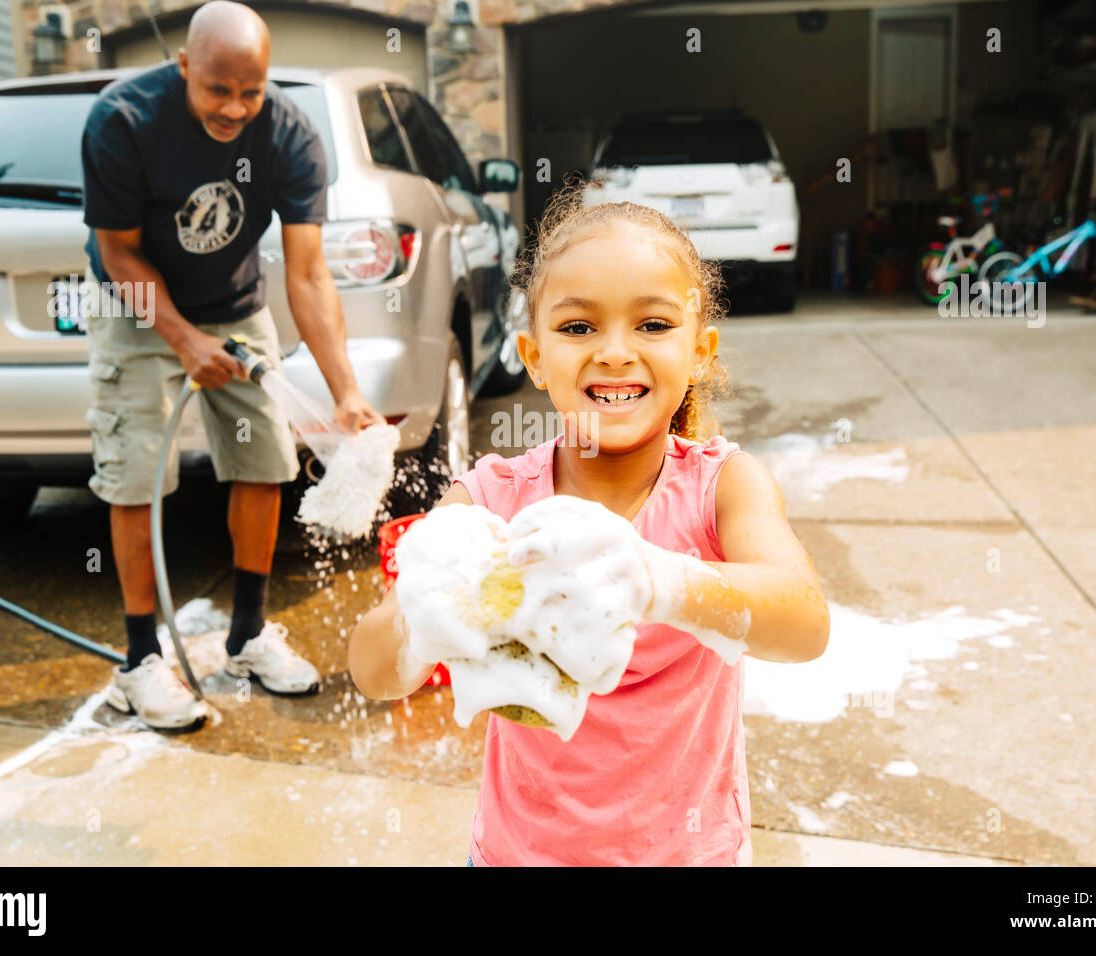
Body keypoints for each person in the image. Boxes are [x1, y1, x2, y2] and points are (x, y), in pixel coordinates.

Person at [348, 184, 830, 865]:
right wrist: (429, 611)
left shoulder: (722, 487)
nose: (613, 352)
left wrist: (660, 581)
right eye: (578, 327)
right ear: (534, 355)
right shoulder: (491, 501)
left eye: (653, 325)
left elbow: (806, 623)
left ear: (699, 349)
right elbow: (372, 671)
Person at [81, 1, 383, 731]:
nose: (236, 108)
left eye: (251, 92)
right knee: (134, 471)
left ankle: (248, 636)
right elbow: (118, 250)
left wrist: (345, 392)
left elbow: (308, 276)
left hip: (234, 302)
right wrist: (183, 341)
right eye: (218, 90)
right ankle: (140, 661)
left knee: (266, 459)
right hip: (139, 302)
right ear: (185, 66)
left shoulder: (287, 134)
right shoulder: (123, 120)